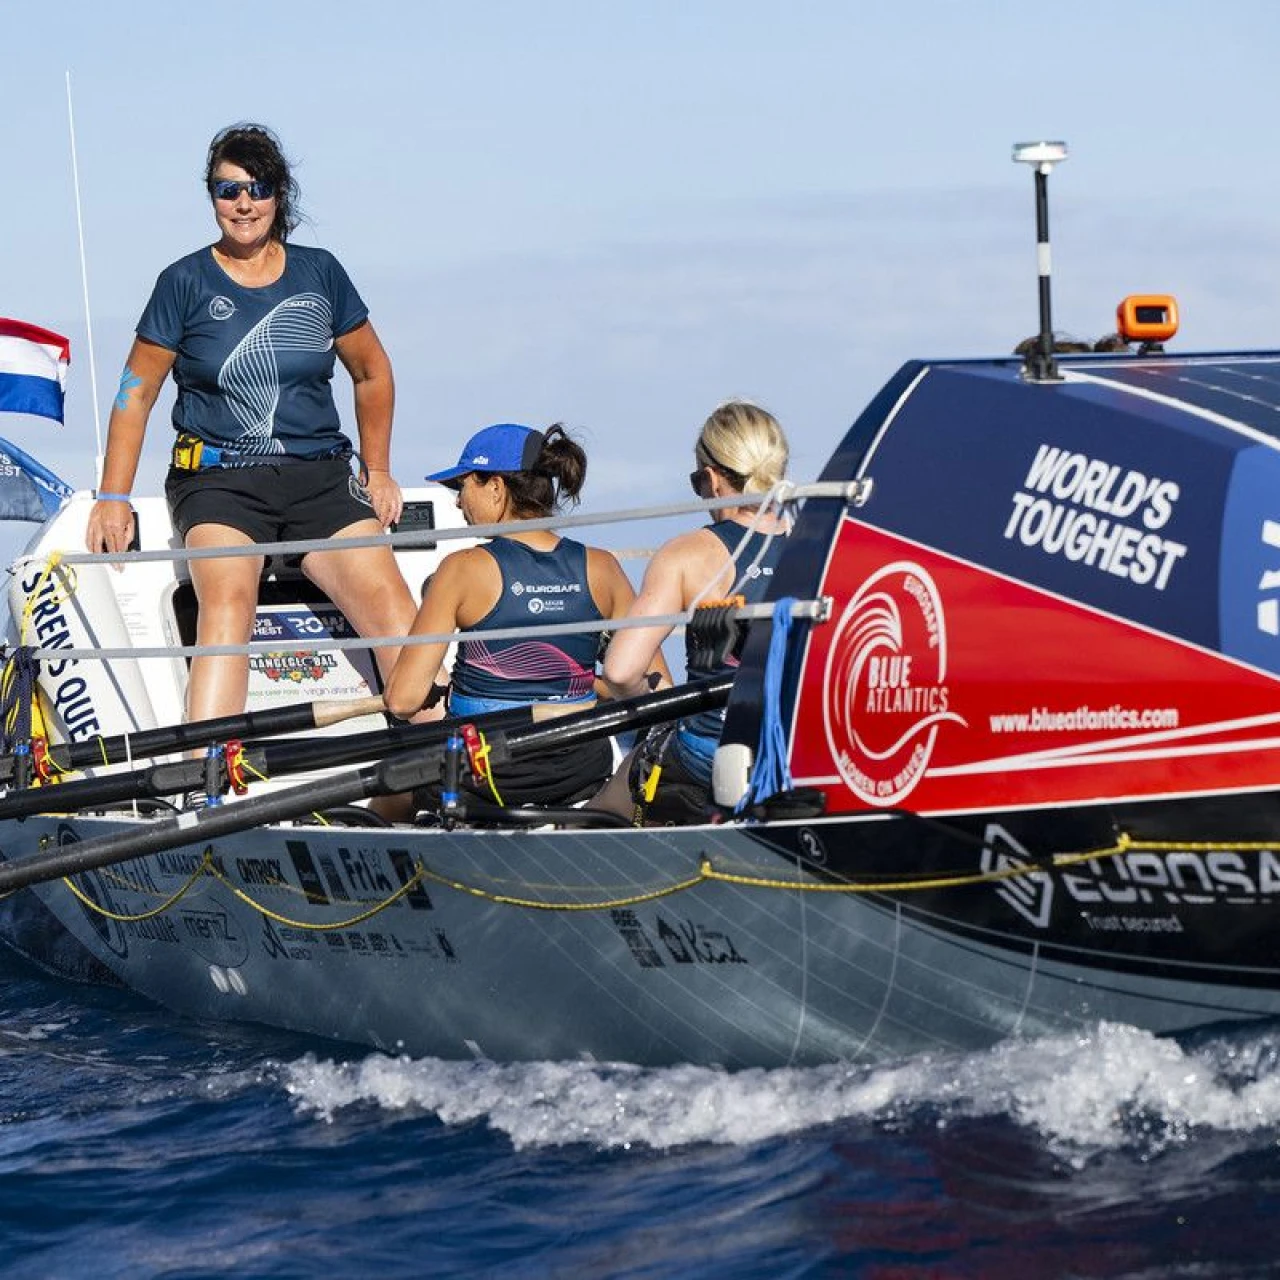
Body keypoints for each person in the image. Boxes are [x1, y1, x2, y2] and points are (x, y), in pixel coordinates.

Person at [85, 122, 426, 724]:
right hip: (218, 482)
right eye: (227, 189)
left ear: (279, 195)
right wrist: (112, 495)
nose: (243, 203)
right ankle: (204, 780)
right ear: (211, 197)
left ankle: (442, 774)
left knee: (397, 613)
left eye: (258, 187)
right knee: (228, 605)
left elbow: (373, 373)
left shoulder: (320, 271)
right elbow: (135, 393)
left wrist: (378, 470)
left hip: (320, 477)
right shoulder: (183, 282)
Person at [382, 422, 663, 817]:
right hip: (579, 771)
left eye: (462, 487)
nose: (459, 503)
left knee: (390, 786)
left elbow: (402, 700)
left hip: (485, 778)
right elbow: (657, 688)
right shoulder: (604, 568)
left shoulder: (461, 569)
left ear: (495, 487)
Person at [599, 400, 790, 824]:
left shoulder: (688, 554)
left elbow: (621, 671)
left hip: (714, 750)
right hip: (798, 751)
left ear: (712, 478)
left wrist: (656, 722)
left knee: (609, 800)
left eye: (697, 482)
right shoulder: (824, 543)